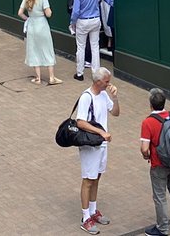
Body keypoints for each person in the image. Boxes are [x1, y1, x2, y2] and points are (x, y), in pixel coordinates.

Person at [76, 67, 119, 234]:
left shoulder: (103, 94)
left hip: (101, 145)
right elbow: (80, 122)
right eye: (107, 81)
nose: (109, 84)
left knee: (97, 177)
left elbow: (115, 112)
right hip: (90, 145)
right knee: (88, 179)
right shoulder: (86, 97)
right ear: (98, 81)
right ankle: (85, 217)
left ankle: (93, 211)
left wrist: (115, 98)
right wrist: (101, 132)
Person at [140, 87, 170, 236]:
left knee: (160, 196)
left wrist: (146, 155)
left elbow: (144, 148)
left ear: (151, 105)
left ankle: (162, 228)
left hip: (159, 164)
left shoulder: (148, 122)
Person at [71, 0, 114, 81]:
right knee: (95, 47)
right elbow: (108, 0)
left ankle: (79, 73)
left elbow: (75, 11)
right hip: (95, 19)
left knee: (81, 47)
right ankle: (96, 73)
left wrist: (72, 22)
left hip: (82, 21)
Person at [18, 0, 59, 85]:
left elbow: (20, 13)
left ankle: (38, 78)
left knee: (34, 49)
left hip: (32, 25)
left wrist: (28, 18)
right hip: (42, 25)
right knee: (47, 49)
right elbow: (48, 14)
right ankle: (51, 77)